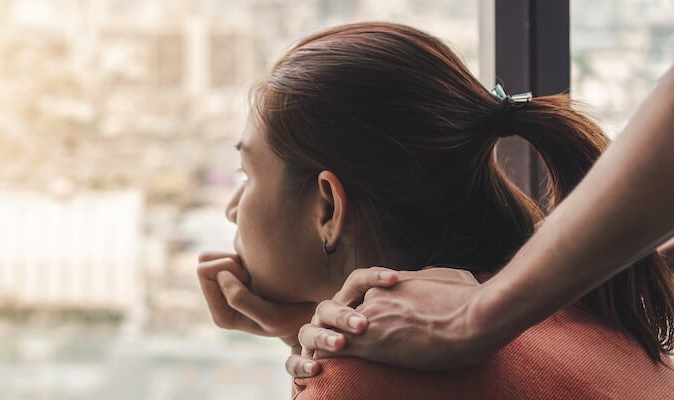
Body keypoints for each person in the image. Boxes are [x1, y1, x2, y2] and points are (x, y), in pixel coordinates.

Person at [196, 22, 674, 399]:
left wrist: (329, 366)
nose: (232, 210)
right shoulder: (582, 307)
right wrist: (307, 332)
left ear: (328, 207)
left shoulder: (359, 379)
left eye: (246, 176)